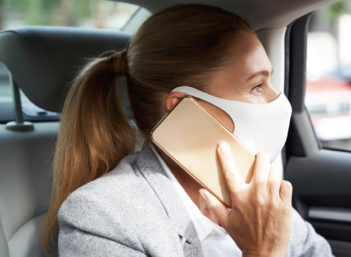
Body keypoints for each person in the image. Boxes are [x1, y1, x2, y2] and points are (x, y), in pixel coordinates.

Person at [42, 4, 333, 257]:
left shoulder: (259, 195)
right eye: (257, 85)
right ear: (183, 106)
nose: (277, 99)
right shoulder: (101, 217)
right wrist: (262, 251)